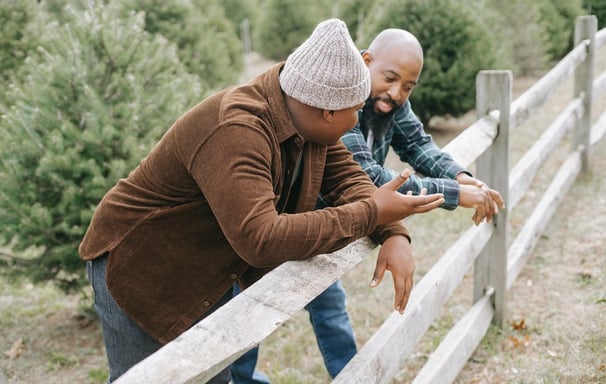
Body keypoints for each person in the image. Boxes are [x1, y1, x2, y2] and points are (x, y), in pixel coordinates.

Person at [79, 19, 445, 384]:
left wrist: (393, 232)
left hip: (207, 268)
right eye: (355, 110)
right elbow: (261, 238)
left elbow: (350, 180)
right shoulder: (237, 129)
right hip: (140, 264)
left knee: (212, 377)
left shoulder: (307, 114)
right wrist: (372, 213)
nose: (356, 120)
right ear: (329, 111)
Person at [231, 28, 505, 383]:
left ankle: (351, 377)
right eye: (390, 79)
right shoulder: (341, 102)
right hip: (291, 221)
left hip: (331, 230)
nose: (396, 93)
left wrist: (460, 175)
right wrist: (453, 192)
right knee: (248, 313)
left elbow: (419, 145)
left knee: (331, 312)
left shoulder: (393, 103)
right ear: (366, 62)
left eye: (407, 86)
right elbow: (370, 176)